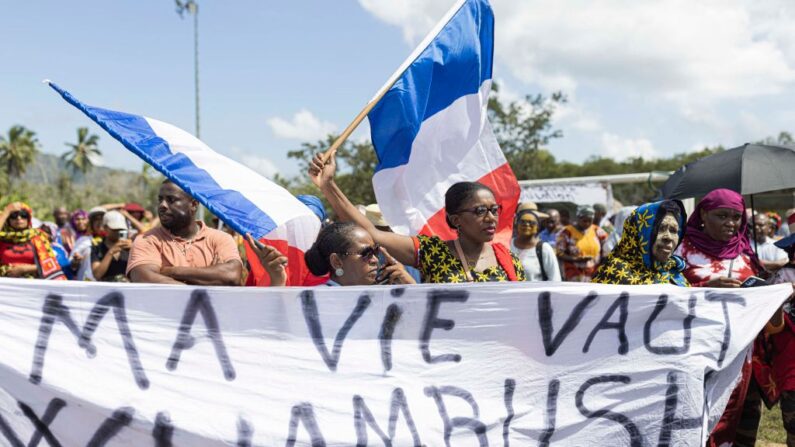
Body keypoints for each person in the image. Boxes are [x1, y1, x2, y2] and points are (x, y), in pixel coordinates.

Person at [308, 151, 526, 283]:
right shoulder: (434, 253)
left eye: (494, 210)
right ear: (456, 219)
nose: (491, 218)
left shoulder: (508, 260)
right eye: (480, 211)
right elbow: (372, 232)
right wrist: (329, 186)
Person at [676, 189, 763, 447]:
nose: (730, 223)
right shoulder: (680, 251)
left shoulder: (746, 253)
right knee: (701, 422)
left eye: (736, 217)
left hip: (745, 355)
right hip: (698, 352)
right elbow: (666, 294)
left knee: (743, 423)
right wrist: (705, 288)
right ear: (703, 214)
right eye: (722, 215)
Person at [127, 180, 242, 285]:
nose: (162, 205)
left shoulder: (220, 239)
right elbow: (144, 278)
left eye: (171, 200)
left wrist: (172, 271)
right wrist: (210, 277)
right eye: (160, 199)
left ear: (193, 204)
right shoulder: (147, 239)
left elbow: (232, 276)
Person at [260, 221, 415, 286]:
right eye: (366, 253)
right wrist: (277, 281)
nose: (375, 260)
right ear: (337, 262)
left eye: (375, 251)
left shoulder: (386, 294)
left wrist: (411, 288)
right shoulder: (316, 300)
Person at [592, 201, 688, 286]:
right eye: (660, 229)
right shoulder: (615, 273)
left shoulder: (674, 272)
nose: (669, 237)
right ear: (639, 233)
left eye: (674, 230)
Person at [0, 202, 65, 280]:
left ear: (29, 219)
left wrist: (24, 269)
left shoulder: (38, 237)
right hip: (5, 285)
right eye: (13, 216)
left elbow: (51, 265)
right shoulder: (2, 238)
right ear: (8, 219)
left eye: (23, 215)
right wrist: (6, 212)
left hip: (33, 286)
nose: (19, 218)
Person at [556, 205, 607, 282]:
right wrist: (576, 259)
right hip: (574, 274)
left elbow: (607, 249)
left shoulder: (597, 231)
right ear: (578, 218)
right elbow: (559, 253)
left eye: (590, 221)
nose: (587, 223)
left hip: (595, 273)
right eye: (584, 221)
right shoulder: (567, 232)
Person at [511, 206, 560, 281]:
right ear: (516, 224)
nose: (527, 225)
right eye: (522, 222)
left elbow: (555, 279)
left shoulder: (544, 249)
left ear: (537, 227)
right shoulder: (507, 246)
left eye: (531, 222)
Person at [91, 211, 132, 282]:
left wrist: (134, 250)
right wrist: (111, 252)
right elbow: (97, 274)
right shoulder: (97, 248)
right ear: (105, 227)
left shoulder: (131, 247)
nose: (118, 232)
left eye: (121, 229)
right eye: (115, 229)